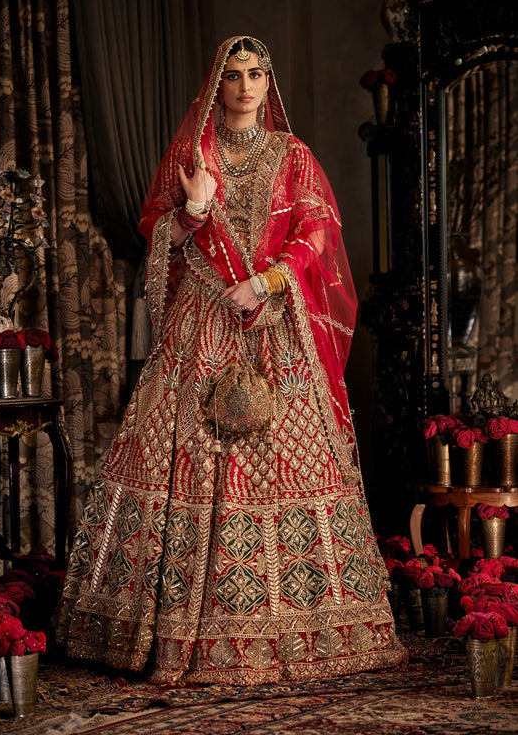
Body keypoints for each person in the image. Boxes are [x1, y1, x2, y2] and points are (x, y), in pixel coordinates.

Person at [56, 36, 405, 685]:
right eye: (234, 75)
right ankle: (167, 631)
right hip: (202, 321)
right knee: (181, 453)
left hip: (273, 320)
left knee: (286, 457)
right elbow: (157, 227)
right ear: (215, 85)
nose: (246, 86)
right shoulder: (192, 154)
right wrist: (192, 207)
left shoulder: (292, 155)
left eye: (256, 74)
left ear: (269, 83)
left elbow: (316, 230)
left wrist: (268, 283)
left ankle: (306, 630)